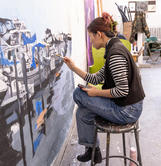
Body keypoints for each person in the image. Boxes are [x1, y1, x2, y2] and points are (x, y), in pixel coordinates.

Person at [63, 12, 145, 163]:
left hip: (128, 110)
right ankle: (93, 151)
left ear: (99, 34)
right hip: (127, 104)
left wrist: (96, 92)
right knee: (82, 112)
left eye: (90, 37)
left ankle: (93, 150)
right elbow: (96, 78)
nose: (90, 41)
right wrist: (73, 67)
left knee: (78, 94)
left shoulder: (115, 54)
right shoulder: (113, 47)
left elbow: (122, 91)